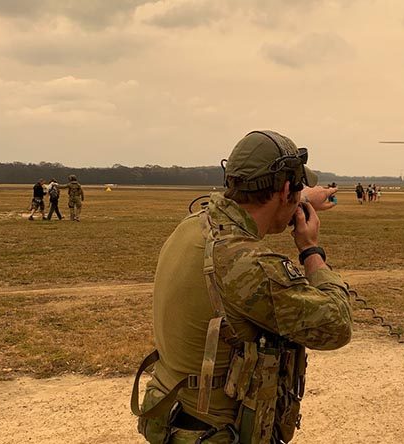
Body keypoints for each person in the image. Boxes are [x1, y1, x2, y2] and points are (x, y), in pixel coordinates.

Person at [132, 130, 352, 444]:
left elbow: (255, 211)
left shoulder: (196, 224)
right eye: (296, 190)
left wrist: (299, 199)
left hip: (179, 421)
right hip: (218, 434)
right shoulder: (247, 265)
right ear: (285, 189)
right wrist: (311, 251)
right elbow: (337, 324)